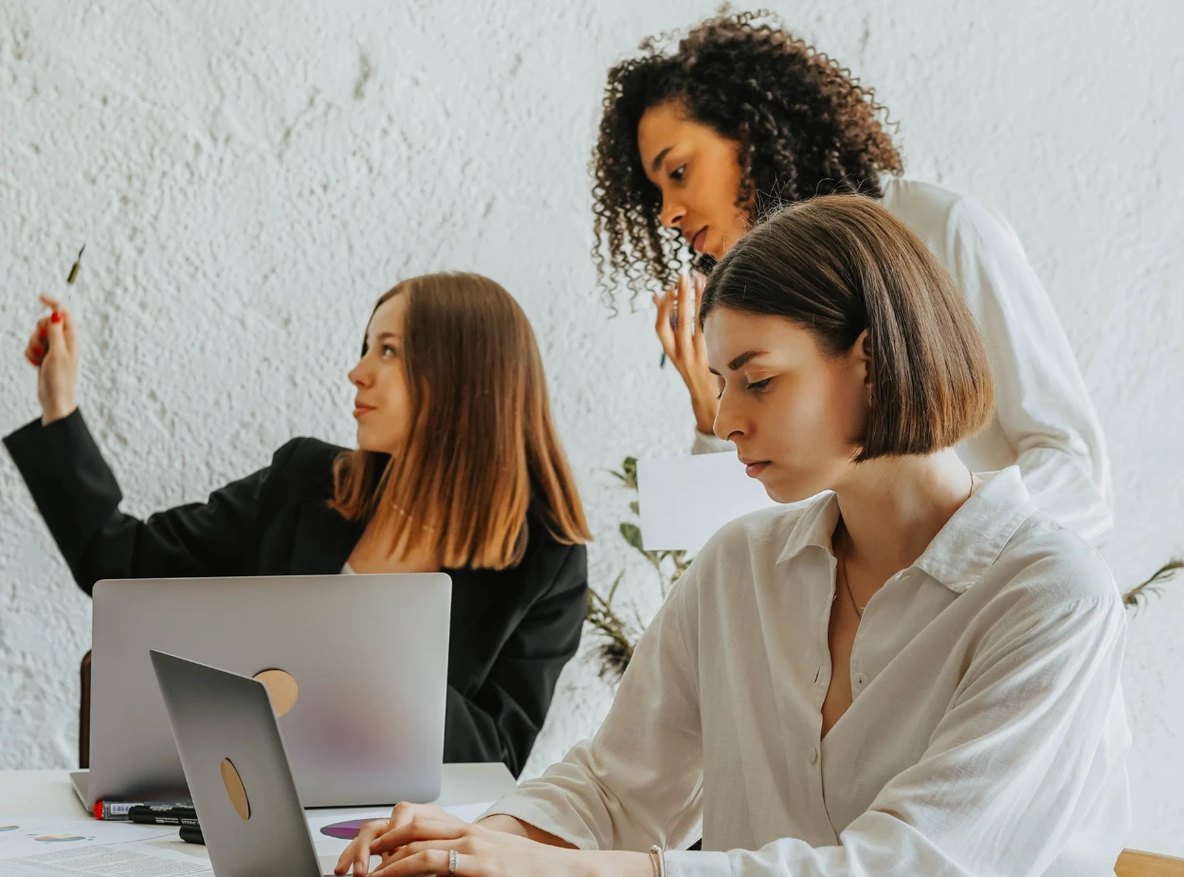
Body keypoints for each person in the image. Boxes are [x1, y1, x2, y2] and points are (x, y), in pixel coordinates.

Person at [339, 196, 1130, 877]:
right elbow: (617, 789)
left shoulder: (1051, 598)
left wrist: (561, 868)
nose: (725, 420)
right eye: (720, 384)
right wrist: (473, 842)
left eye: (758, 380)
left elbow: (910, 865)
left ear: (872, 360)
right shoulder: (739, 566)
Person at [4, 272, 591, 776]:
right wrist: (59, 405)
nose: (357, 372)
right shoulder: (305, 482)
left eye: (388, 351)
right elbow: (117, 561)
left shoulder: (546, 561)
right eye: (366, 346)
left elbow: (495, 762)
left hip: (397, 837)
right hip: (246, 803)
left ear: (464, 377)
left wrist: (374, 646)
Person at [592, 11, 1114, 542]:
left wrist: (941, 552)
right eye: (656, 193)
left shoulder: (942, 229)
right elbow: (744, 542)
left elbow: (1075, 471)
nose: (667, 214)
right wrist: (712, 406)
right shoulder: (751, 312)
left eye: (679, 172)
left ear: (750, 135)